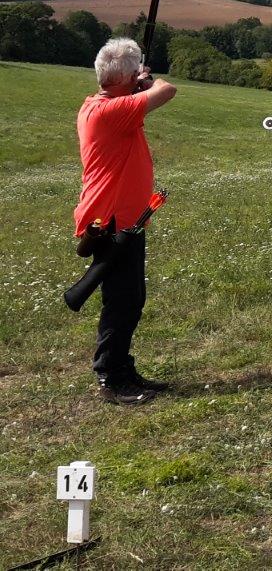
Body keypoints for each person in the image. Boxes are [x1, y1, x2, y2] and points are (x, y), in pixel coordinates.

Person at [74, 38, 178, 405]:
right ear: (125, 78)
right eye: (133, 73)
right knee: (122, 302)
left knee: (129, 299)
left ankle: (122, 368)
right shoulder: (111, 111)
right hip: (112, 220)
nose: (138, 77)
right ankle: (111, 376)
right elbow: (168, 90)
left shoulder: (101, 105)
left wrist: (135, 82)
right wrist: (147, 82)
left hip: (122, 218)